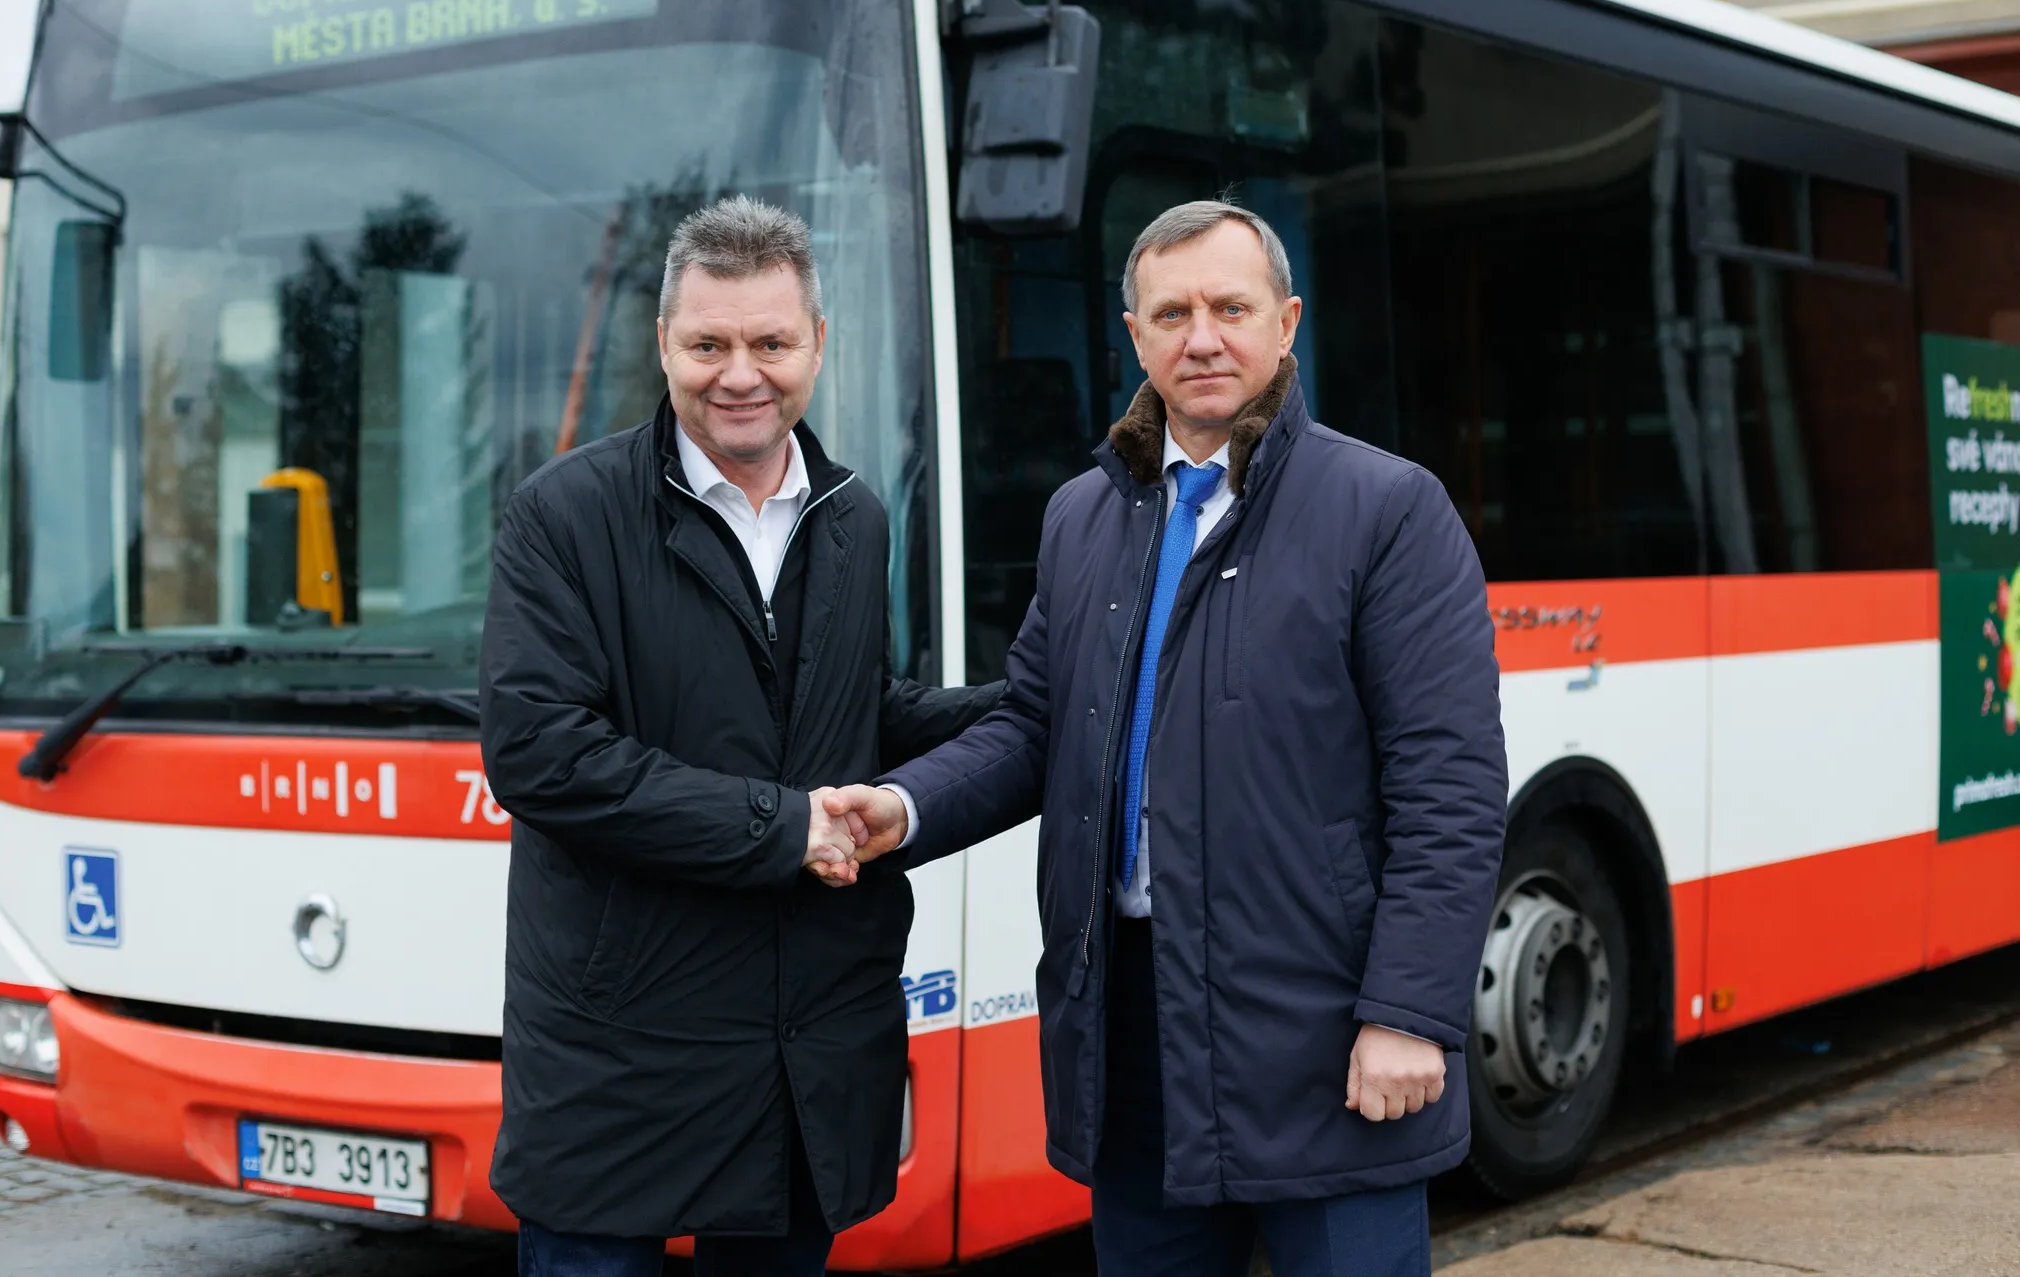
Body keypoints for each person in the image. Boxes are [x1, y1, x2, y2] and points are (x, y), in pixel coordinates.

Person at [826, 201, 1508, 1276]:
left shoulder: (1387, 509)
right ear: (1134, 336)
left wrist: (1409, 1013)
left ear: (1285, 322)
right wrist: (902, 808)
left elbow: (1449, 787)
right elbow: (1034, 725)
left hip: (1326, 1029)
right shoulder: (1081, 517)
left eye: (1231, 308)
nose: (1203, 338)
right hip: (1130, 1027)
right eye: (1173, 313)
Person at [480, 195, 1001, 1277]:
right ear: (662, 343)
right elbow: (541, 753)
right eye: (708, 344)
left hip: (801, 1055)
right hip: (620, 1067)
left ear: (818, 344)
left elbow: (850, 711)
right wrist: (785, 826)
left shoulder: (853, 515)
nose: (740, 374)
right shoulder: (562, 513)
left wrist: (1037, 704)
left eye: (770, 342)